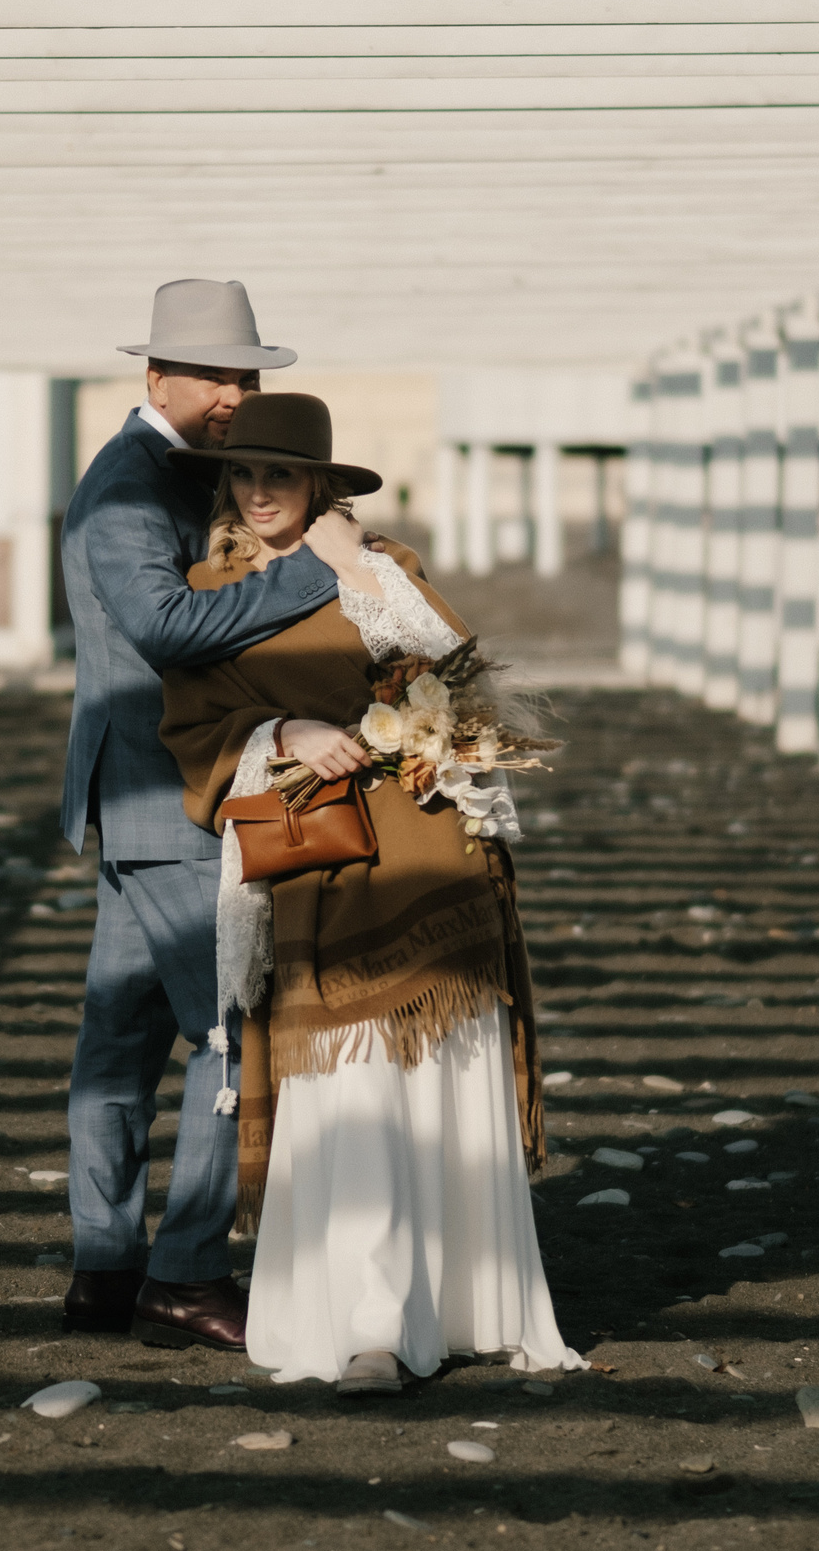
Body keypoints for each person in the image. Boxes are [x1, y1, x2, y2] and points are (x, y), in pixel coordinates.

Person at [157, 393, 582, 1394]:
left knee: (433, 1086)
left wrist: (356, 566)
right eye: (246, 475)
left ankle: (463, 1306)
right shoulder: (205, 587)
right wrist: (282, 737)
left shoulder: (384, 568)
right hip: (319, 872)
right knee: (355, 1092)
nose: (260, 492)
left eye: (283, 476)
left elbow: (460, 673)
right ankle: (369, 1325)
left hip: (435, 859)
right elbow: (191, 729)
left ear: (321, 485)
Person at [58, 279, 356, 1352]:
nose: (238, 394)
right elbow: (167, 624)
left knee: (119, 1045)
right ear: (156, 377)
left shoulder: (164, 472)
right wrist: (315, 574)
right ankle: (183, 1278)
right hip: (173, 796)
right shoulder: (127, 490)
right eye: (218, 375)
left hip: (142, 798)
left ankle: (103, 1271)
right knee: (233, 1040)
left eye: (248, 374)